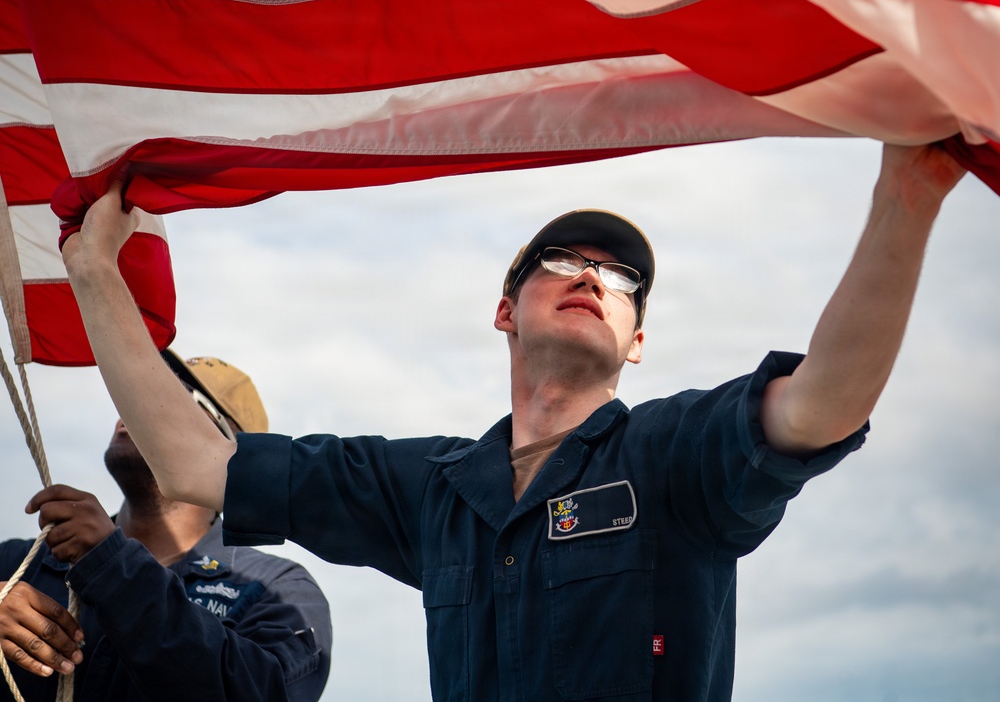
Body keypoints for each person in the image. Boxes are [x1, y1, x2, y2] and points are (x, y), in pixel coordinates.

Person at [60, 142, 966, 701]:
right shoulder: (432, 489)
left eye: (621, 280)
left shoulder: (674, 454)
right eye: (563, 260)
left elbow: (823, 401)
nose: (593, 278)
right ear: (505, 312)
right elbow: (194, 465)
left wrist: (908, 195)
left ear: (637, 342)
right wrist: (95, 274)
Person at [0, 352, 332, 702]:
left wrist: (112, 566)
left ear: (229, 451)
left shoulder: (278, 592)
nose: (136, 404)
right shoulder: (19, 563)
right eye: (135, 389)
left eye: (172, 395)